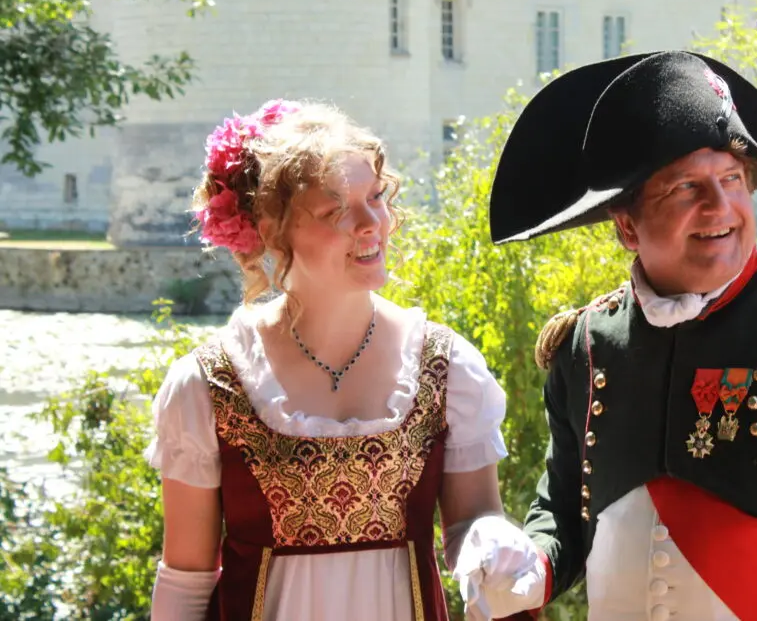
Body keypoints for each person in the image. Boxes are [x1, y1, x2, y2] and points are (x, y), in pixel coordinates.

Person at [462, 51, 757, 621]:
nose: (720, 207)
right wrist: (526, 566)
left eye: (732, 179)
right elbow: (565, 509)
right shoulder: (584, 348)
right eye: (685, 187)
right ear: (627, 225)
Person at [145, 99, 525, 620]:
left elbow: (473, 521)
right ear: (273, 231)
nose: (372, 223)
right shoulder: (210, 384)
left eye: (375, 197)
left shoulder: (445, 366)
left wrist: (492, 543)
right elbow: (186, 579)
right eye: (336, 211)